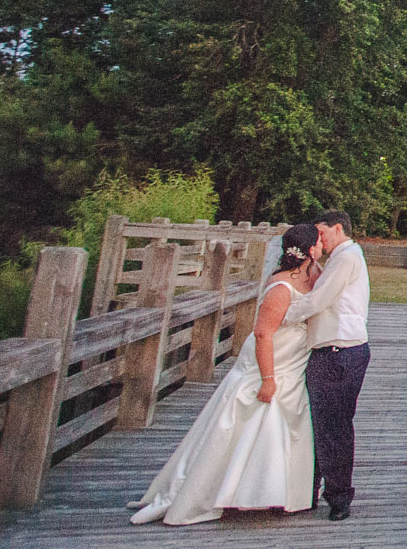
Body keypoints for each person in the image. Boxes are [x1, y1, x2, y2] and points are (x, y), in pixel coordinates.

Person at [130, 224, 325, 526]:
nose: (323, 246)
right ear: (309, 250)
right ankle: (208, 490)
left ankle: (265, 491)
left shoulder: (312, 277)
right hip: (272, 362)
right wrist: (268, 378)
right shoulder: (281, 287)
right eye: (319, 243)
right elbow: (262, 334)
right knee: (248, 419)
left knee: (284, 424)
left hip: (294, 363)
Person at [289, 210, 372, 521]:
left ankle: (338, 496)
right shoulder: (344, 257)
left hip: (339, 352)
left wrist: (277, 316)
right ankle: (313, 489)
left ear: (338, 228)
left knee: (333, 429)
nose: (318, 240)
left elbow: (317, 301)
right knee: (323, 427)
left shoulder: (346, 258)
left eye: (322, 233)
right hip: (341, 350)